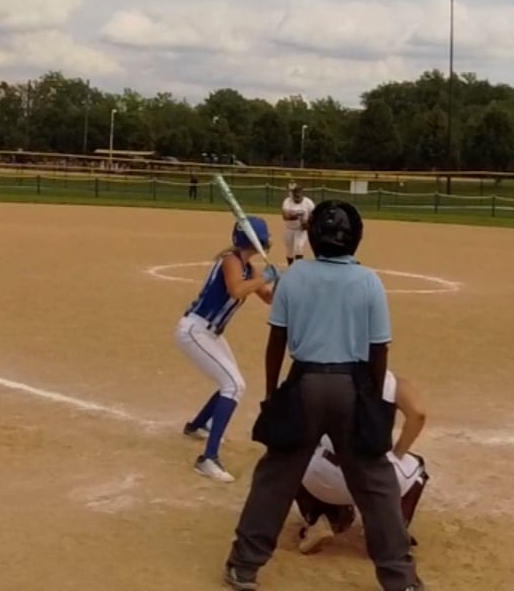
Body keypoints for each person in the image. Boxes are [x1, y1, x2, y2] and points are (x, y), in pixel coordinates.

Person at [224, 200, 421, 591]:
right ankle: (400, 579)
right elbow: (378, 349)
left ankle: (244, 565)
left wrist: (273, 394)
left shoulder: (295, 277)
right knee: (376, 483)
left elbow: (277, 341)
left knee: (276, 477)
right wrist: (373, 400)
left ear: (313, 237)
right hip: (352, 385)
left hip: (305, 384)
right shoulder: (369, 281)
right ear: (356, 238)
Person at [178, 217, 279, 483]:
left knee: (231, 381)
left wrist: (279, 285)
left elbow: (268, 298)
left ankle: (197, 426)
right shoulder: (230, 261)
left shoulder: (249, 267)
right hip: (195, 330)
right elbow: (236, 290)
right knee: (233, 385)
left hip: (211, 333)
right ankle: (208, 459)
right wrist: (265, 277)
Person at [295, 371, 430, 556]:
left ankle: (323, 518)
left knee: (294, 459)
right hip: (376, 478)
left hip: (323, 479)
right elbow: (418, 414)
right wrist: (397, 454)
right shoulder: (389, 380)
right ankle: (388, 533)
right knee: (417, 467)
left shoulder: (320, 376)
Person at [281, 183, 315, 266]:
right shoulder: (287, 201)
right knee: (289, 250)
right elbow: (285, 216)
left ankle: (298, 267)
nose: (297, 198)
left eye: (298, 196)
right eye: (295, 196)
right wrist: (297, 216)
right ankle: (290, 267)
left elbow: (314, 216)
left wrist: (307, 224)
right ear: (292, 195)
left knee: (299, 247)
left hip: (300, 230)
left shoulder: (308, 203)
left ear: (302, 194)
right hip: (289, 228)